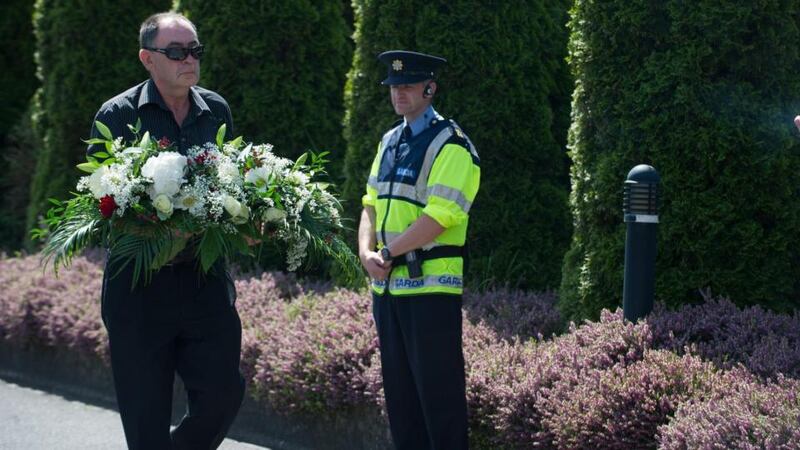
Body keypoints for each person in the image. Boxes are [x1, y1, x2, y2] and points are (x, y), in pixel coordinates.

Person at [87, 12, 244, 450]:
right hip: (138, 288)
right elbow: (102, 204)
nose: (188, 59)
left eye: (195, 50)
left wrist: (245, 221)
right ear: (147, 59)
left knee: (224, 395)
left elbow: (231, 183)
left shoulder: (217, 110)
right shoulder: (116, 115)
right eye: (175, 52)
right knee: (145, 419)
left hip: (204, 281)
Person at [358, 50, 481, 450]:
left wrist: (388, 253)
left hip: (431, 290)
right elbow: (370, 203)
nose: (399, 94)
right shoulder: (390, 141)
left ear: (430, 88)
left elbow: (439, 217)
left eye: (408, 85)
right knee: (400, 400)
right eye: (394, 87)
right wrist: (365, 253)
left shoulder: (453, 145)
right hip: (388, 289)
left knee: (439, 400)